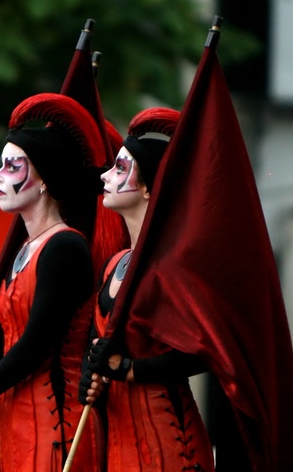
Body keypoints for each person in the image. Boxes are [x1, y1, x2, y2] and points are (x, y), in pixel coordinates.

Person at [0, 92, 122, 472]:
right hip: (18, 424)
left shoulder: (65, 246)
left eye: (11, 166)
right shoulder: (24, 249)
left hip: (58, 427)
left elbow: (37, 344)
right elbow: (13, 347)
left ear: (44, 179)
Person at [80, 107, 215, 471]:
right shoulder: (113, 263)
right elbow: (97, 344)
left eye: (120, 169)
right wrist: (91, 377)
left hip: (172, 447)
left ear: (147, 187)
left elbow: (204, 350)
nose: (106, 176)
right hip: (119, 447)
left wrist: (129, 370)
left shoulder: (173, 265)